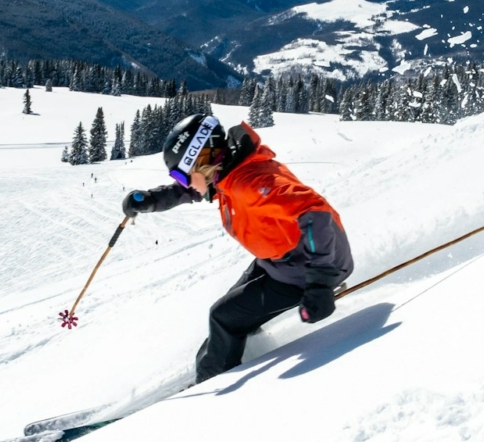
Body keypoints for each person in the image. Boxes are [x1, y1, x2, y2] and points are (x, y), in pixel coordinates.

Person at [122, 114, 354, 384]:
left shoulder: (249, 183)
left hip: (305, 271)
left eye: (182, 175)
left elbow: (315, 213)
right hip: (280, 262)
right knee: (226, 315)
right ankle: (215, 368)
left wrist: (320, 283)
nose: (182, 183)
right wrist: (150, 200)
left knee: (223, 317)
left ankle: (213, 381)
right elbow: (189, 191)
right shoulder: (228, 172)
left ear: (202, 162)